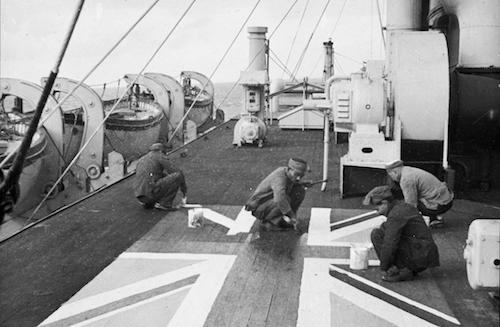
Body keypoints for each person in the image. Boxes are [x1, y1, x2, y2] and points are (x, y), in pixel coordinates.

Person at [364, 185, 440, 282]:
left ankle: (403, 270)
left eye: (377, 207)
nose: (377, 212)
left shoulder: (396, 214)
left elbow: (389, 243)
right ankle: (407, 268)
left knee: (377, 234)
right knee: (383, 229)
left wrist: (385, 267)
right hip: (424, 253)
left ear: (385, 202)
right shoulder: (401, 207)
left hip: (421, 254)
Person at [245, 158, 309, 231]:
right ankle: (268, 223)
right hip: (259, 207)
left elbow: (291, 182)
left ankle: (284, 220)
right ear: (289, 169)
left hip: (269, 202)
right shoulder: (279, 178)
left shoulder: (287, 173)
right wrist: (292, 216)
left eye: (301, 175)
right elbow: (280, 199)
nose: (298, 178)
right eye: (297, 174)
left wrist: (302, 183)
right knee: (284, 199)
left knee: (300, 190)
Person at [385, 160, 454, 228]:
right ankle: (434, 219)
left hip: (441, 204)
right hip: (446, 199)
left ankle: (418, 224)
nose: (393, 179)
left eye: (391, 176)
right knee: (416, 197)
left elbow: (411, 204)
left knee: (405, 205)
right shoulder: (407, 170)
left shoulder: (406, 179)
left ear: (394, 172)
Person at [133, 143, 187, 210]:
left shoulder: (142, 159)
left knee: (161, 176)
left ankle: (148, 202)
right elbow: (177, 172)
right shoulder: (159, 155)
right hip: (150, 193)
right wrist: (184, 189)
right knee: (177, 176)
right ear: (161, 151)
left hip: (140, 196)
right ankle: (165, 204)